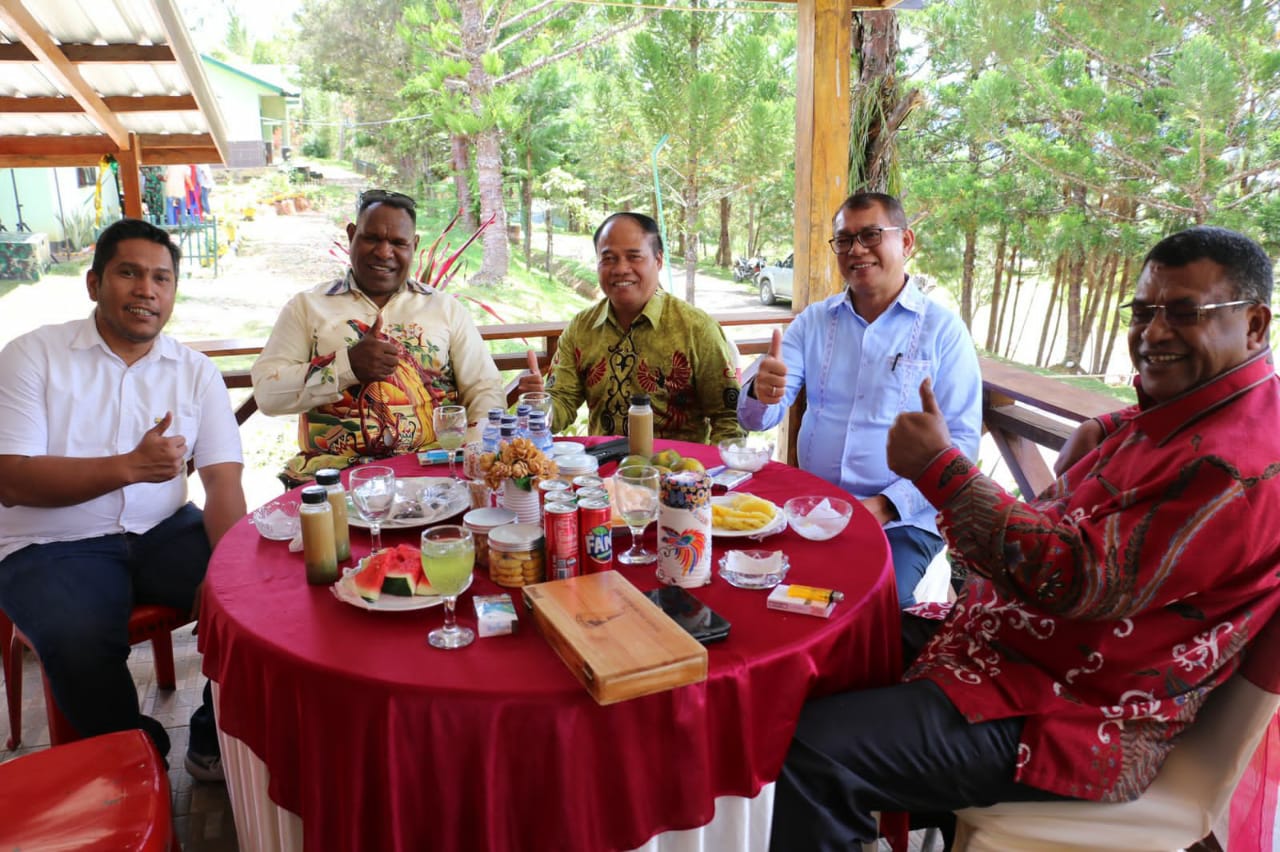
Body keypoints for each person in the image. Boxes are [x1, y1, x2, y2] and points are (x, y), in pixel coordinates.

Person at [769, 225, 1280, 850]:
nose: (1153, 333)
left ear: (1255, 325)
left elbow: (1078, 580)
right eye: (1143, 312)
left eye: (1183, 312)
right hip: (1006, 648)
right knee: (823, 648)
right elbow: (1159, 441)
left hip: (1080, 712)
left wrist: (940, 471)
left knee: (813, 754)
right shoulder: (1199, 410)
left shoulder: (1237, 468)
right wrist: (1109, 422)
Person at [0, 218, 246, 780]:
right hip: (50, 544)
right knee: (77, 641)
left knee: (259, 599)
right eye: (128, 273)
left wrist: (233, 570)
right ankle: (135, 756)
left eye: (162, 278)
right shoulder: (32, 356)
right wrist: (129, 467)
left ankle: (211, 735)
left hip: (163, 531)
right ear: (93, 283)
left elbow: (223, 483)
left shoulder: (195, 371)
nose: (146, 290)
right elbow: (11, 478)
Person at [738, 192, 983, 606]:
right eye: (845, 240)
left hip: (901, 521)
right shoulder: (813, 322)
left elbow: (962, 444)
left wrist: (885, 505)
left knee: (876, 605)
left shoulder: (943, 331)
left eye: (871, 235)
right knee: (751, 582)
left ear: (906, 242)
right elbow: (756, 419)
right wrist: (761, 393)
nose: (856, 250)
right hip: (813, 507)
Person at [252, 189, 505, 481]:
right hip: (333, 479)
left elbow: (484, 388)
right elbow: (267, 394)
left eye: (398, 243)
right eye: (372, 238)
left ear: (414, 246)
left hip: (432, 475)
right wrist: (346, 367)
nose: (384, 252)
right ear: (351, 235)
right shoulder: (307, 307)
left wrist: (474, 450)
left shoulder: (445, 309)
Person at [515, 211, 743, 444]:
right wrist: (538, 404)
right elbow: (562, 402)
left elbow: (729, 417)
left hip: (678, 465)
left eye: (634, 257)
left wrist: (716, 465)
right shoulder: (581, 328)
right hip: (601, 465)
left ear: (658, 260)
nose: (621, 269)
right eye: (609, 258)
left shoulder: (697, 329)